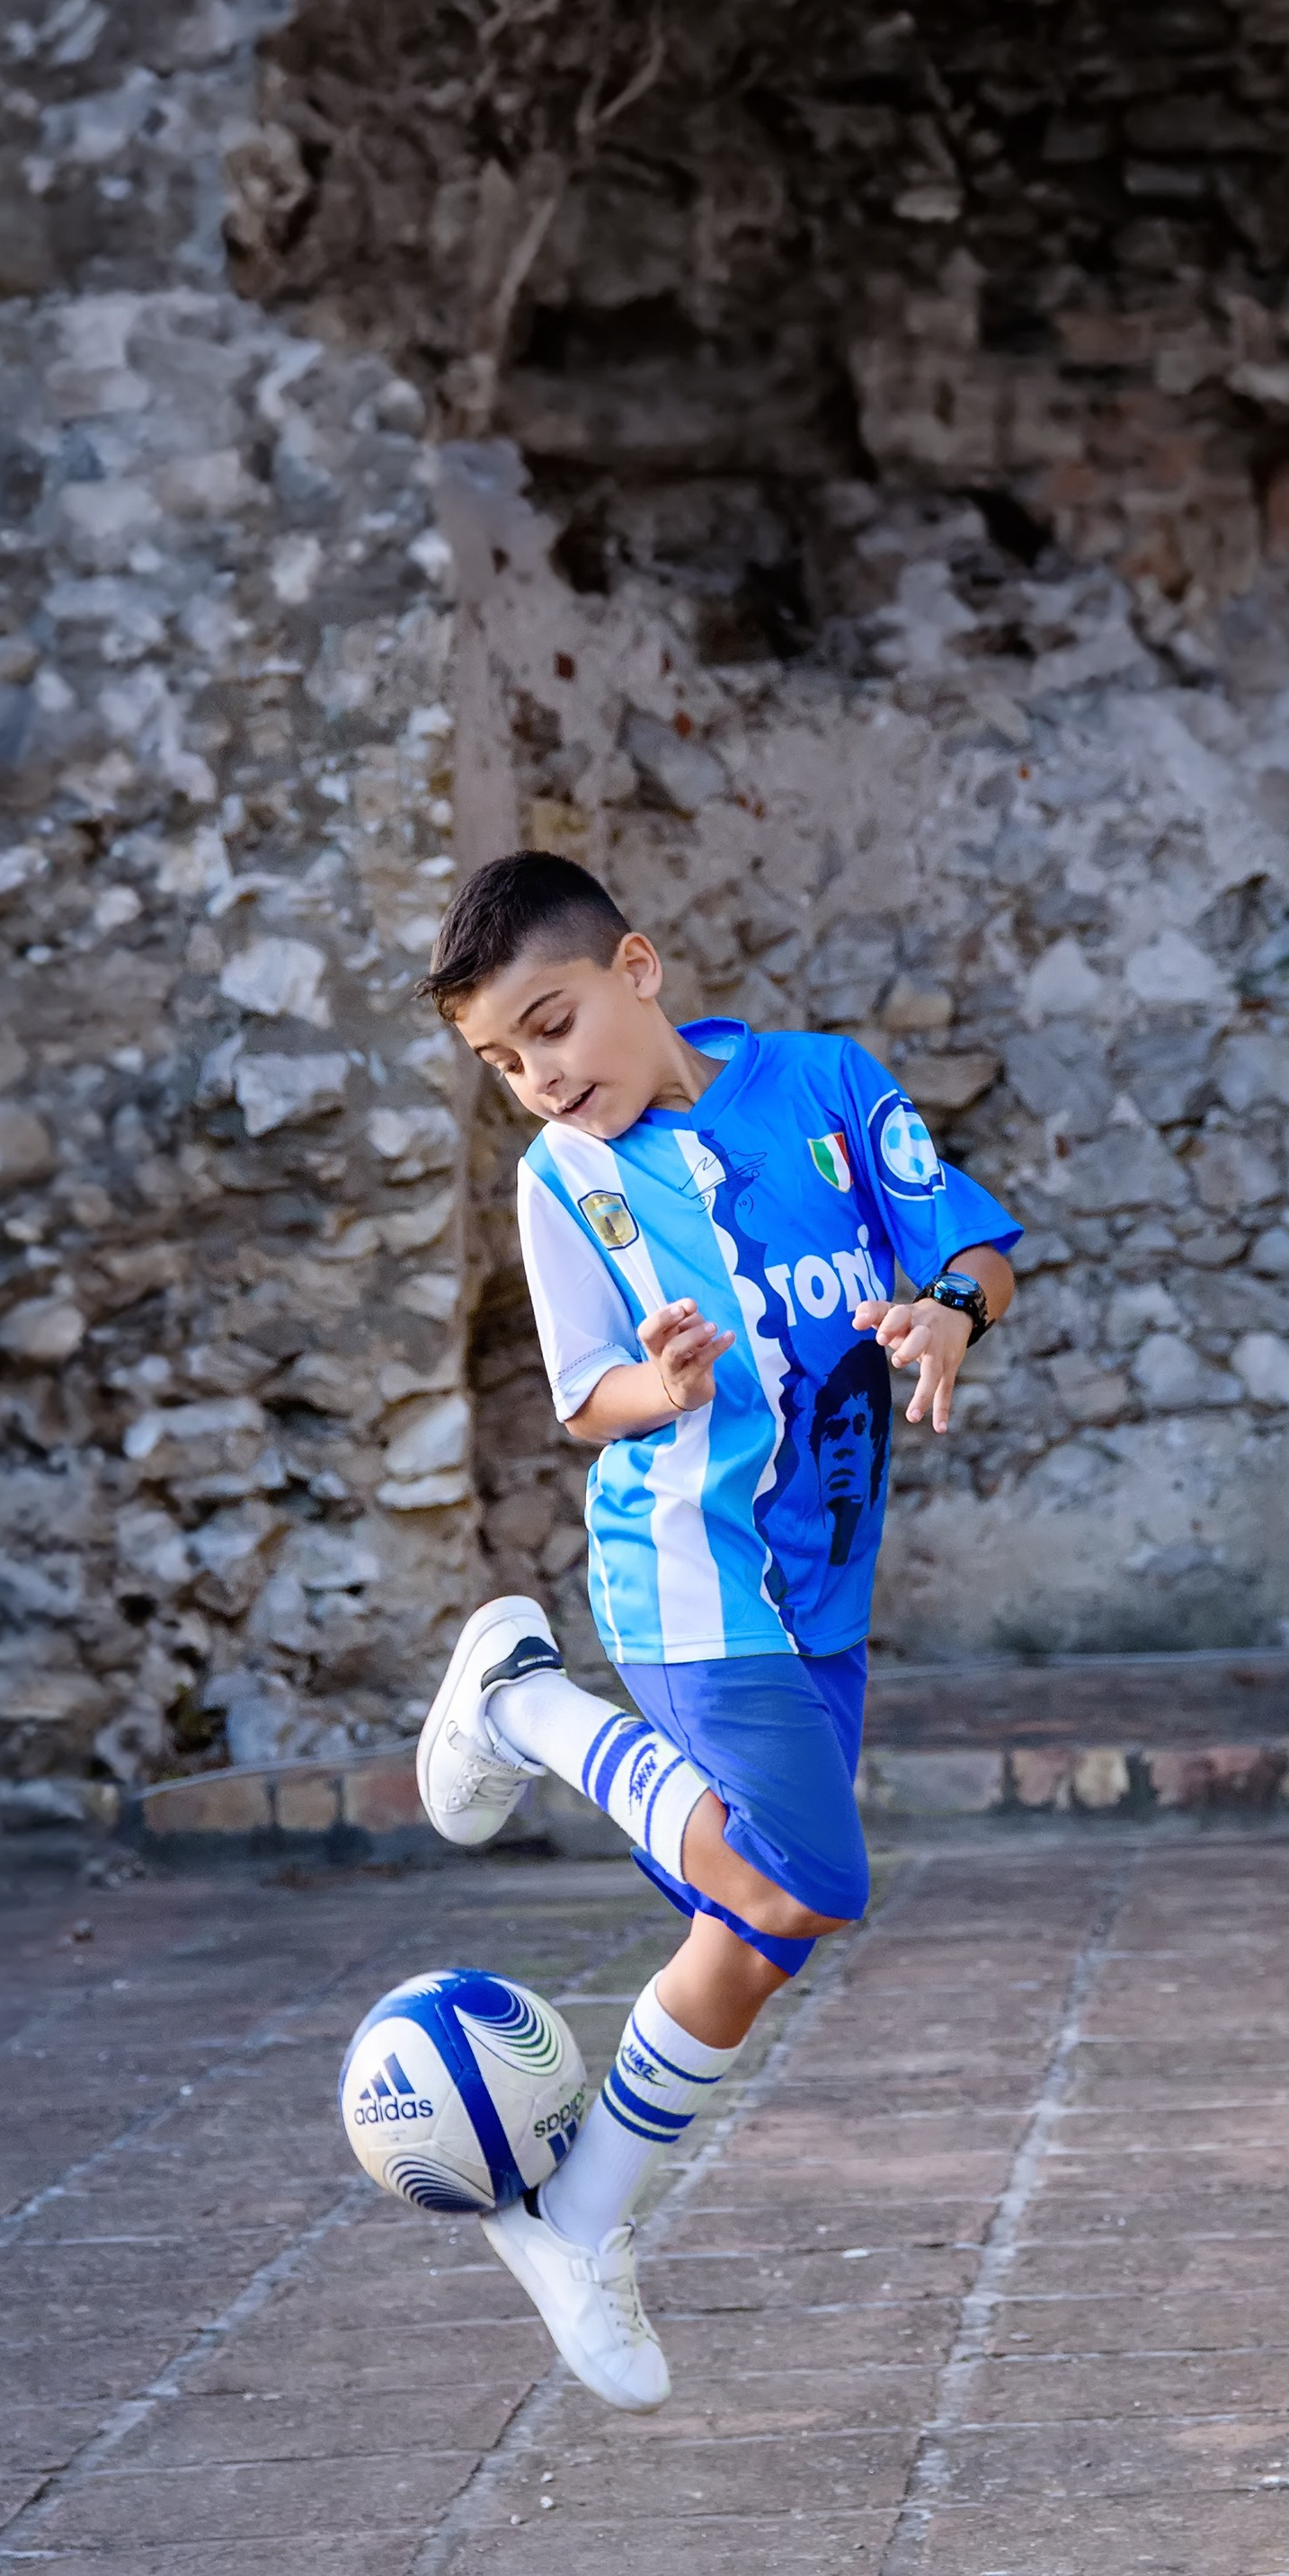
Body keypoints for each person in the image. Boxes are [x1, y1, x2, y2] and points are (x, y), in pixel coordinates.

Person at [411, 852, 1018, 2410]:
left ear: (638, 969)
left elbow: (972, 1245)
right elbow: (581, 1397)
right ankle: (525, 1704)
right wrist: (661, 1390)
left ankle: (575, 2220)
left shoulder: (827, 1087)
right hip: (689, 1576)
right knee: (800, 1878)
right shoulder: (566, 1182)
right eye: (502, 1062)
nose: (540, 1078)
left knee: (750, 1947)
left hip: (822, 1581)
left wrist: (949, 1307)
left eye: (552, 1026)